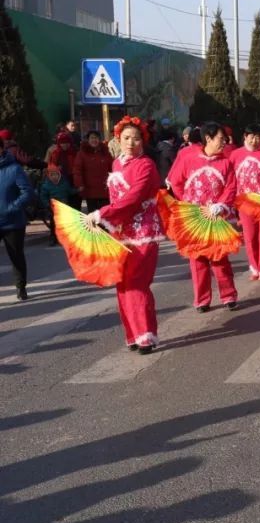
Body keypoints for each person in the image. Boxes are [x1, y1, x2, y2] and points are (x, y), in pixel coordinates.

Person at [87, 116, 164, 352]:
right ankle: (133, 333)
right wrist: (107, 222)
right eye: (126, 138)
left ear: (143, 141)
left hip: (143, 233)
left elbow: (133, 198)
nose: (131, 143)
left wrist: (103, 213)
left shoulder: (146, 166)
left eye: (136, 138)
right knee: (122, 285)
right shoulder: (117, 164)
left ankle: (146, 335)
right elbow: (116, 198)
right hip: (121, 234)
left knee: (137, 284)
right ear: (118, 139)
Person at [166, 121, 239, 312]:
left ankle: (228, 295)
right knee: (197, 260)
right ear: (208, 138)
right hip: (194, 218)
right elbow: (176, 182)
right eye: (221, 139)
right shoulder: (188, 159)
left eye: (225, 139)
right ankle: (202, 300)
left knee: (219, 259)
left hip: (217, 217)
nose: (224, 143)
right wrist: (187, 203)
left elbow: (231, 187)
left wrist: (220, 205)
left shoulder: (226, 162)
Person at [232, 124, 260, 280]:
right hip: (244, 203)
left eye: (258, 137)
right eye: (251, 136)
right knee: (249, 236)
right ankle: (254, 267)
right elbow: (231, 180)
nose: (254, 140)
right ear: (245, 136)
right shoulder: (235, 155)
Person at [0, 139, 33, 300]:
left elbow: (27, 192)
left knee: (16, 255)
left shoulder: (14, 169)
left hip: (12, 222)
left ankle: (21, 288)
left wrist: (12, 207)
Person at [73, 130, 113, 213]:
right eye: (92, 138)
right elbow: (77, 170)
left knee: (105, 215)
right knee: (93, 215)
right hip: (90, 191)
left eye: (96, 138)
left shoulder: (105, 152)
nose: (94, 140)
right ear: (88, 140)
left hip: (104, 190)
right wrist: (79, 184)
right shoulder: (82, 153)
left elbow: (112, 167)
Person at [37, 163, 76, 246]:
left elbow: (69, 191)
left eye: (56, 175)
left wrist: (77, 190)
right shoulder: (46, 185)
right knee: (54, 224)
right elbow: (43, 196)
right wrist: (47, 204)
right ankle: (53, 238)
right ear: (48, 176)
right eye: (52, 175)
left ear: (59, 174)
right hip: (53, 208)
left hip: (64, 207)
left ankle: (64, 239)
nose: (54, 177)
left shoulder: (64, 183)